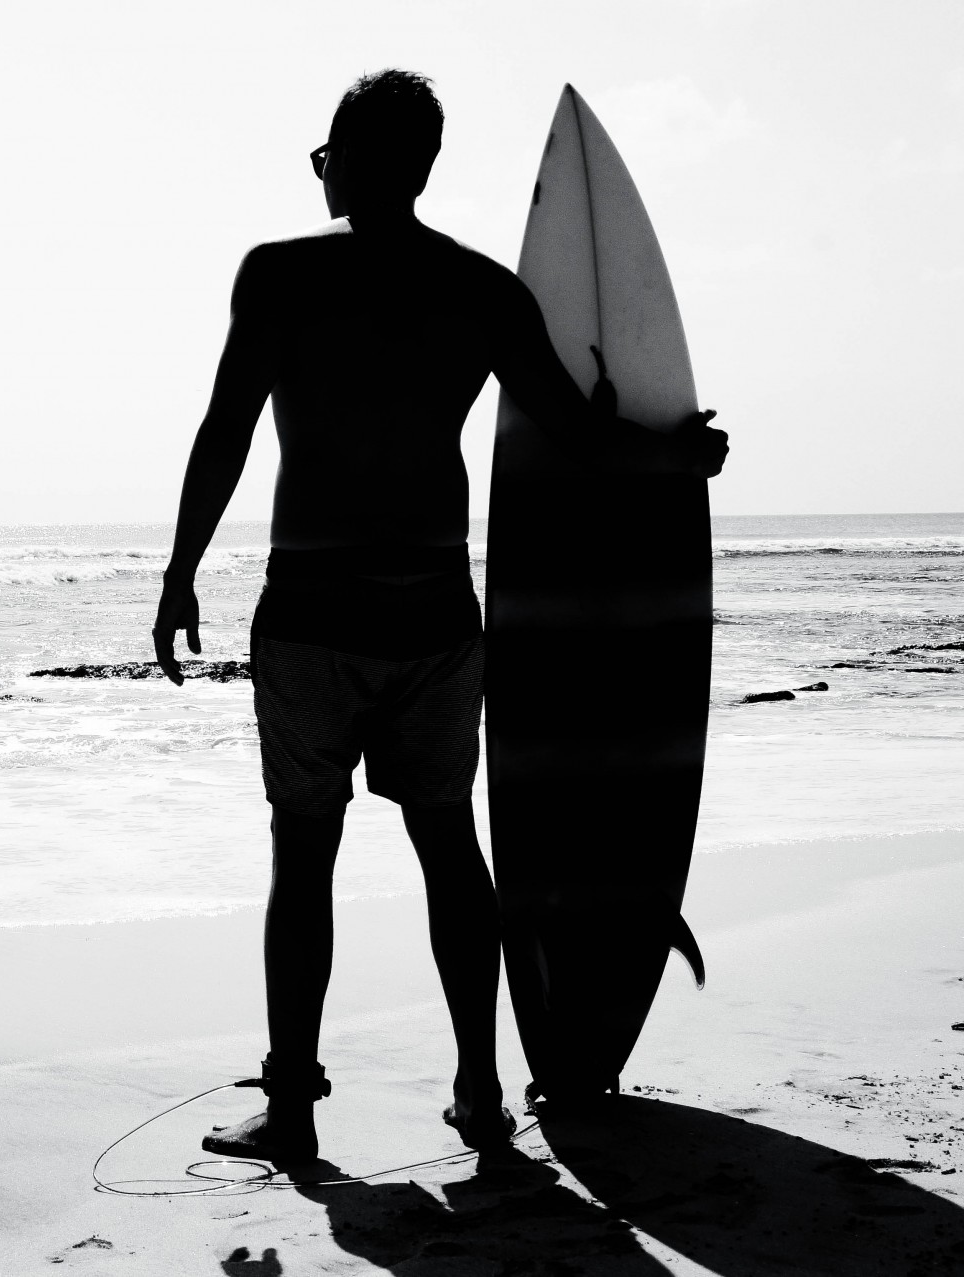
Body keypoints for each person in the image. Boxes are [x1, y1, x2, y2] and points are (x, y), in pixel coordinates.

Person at [151, 69, 728, 1164]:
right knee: (449, 846)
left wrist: (181, 570)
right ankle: (478, 1090)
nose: (320, 174)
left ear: (366, 161)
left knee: (304, 856)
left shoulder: (277, 277)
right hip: (431, 614)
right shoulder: (483, 291)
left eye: (327, 154)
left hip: (315, 616)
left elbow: (226, 426)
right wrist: (676, 457)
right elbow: (572, 435)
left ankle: (293, 1104)